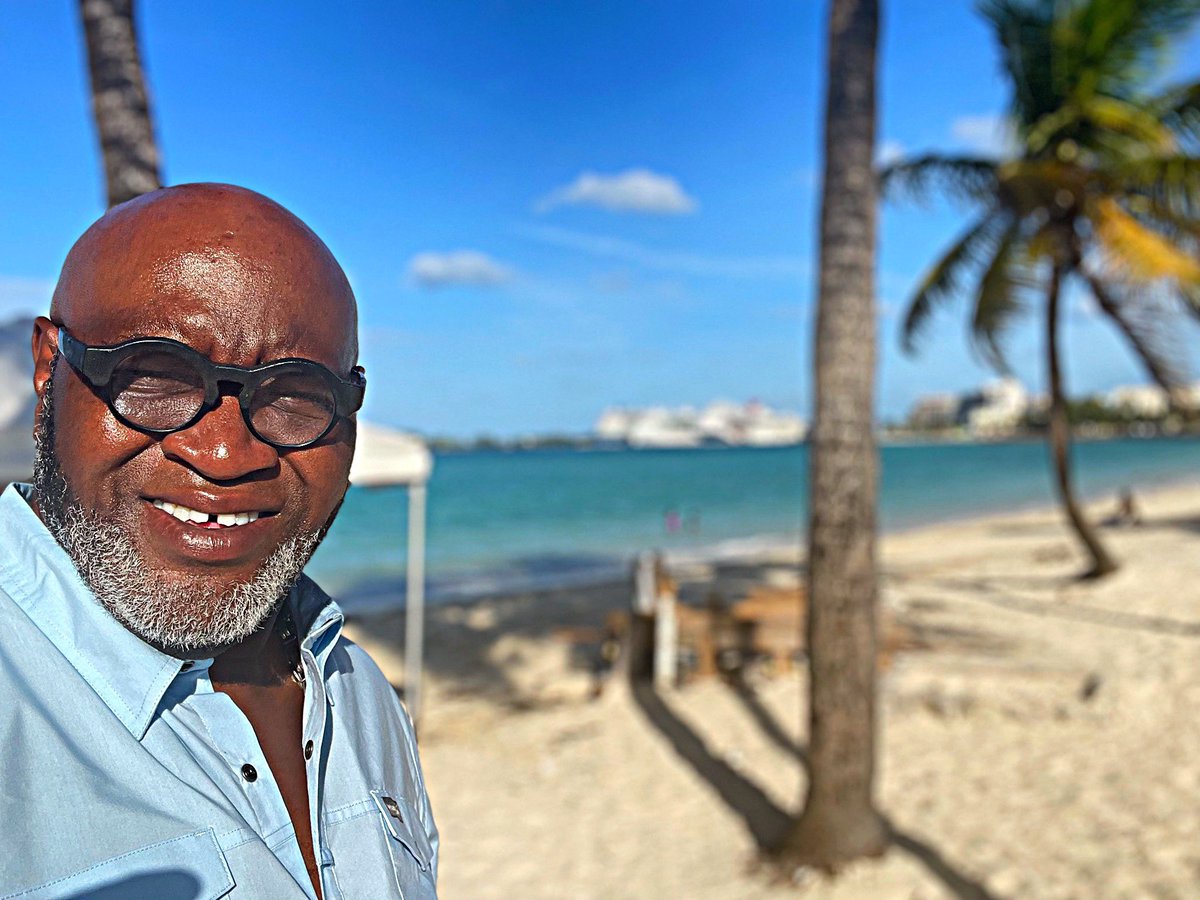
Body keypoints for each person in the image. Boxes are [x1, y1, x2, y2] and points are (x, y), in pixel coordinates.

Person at [0, 184, 437, 899]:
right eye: (156, 377)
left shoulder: (359, 695)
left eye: (295, 394)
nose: (227, 454)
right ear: (49, 368)